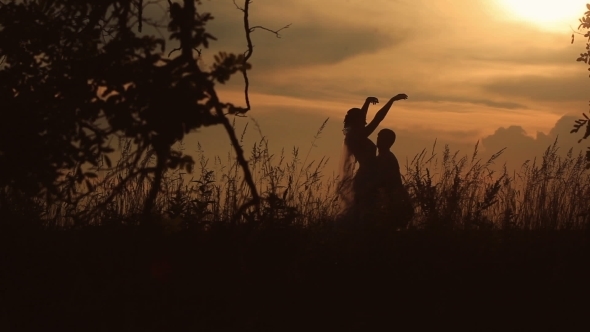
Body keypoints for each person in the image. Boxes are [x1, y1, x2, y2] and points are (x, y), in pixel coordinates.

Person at [338, 94, 408, 221]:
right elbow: (378, 118)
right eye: (361, 118)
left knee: (370, 211)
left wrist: (367, 102)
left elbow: (361, 116)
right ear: (357, 121)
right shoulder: (357, 135)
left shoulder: (355, 134)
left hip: (370, 176)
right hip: (367, 178)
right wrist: (391, 100)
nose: (365, 119)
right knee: (366, 212)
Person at [375, 128, 414, 228]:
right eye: (379, 137)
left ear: (389, 142)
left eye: (383, 138)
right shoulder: (383, 157)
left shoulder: (387, 158)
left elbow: (384, 181)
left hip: (393, 201)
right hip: (391, 200)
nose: (379, 140)